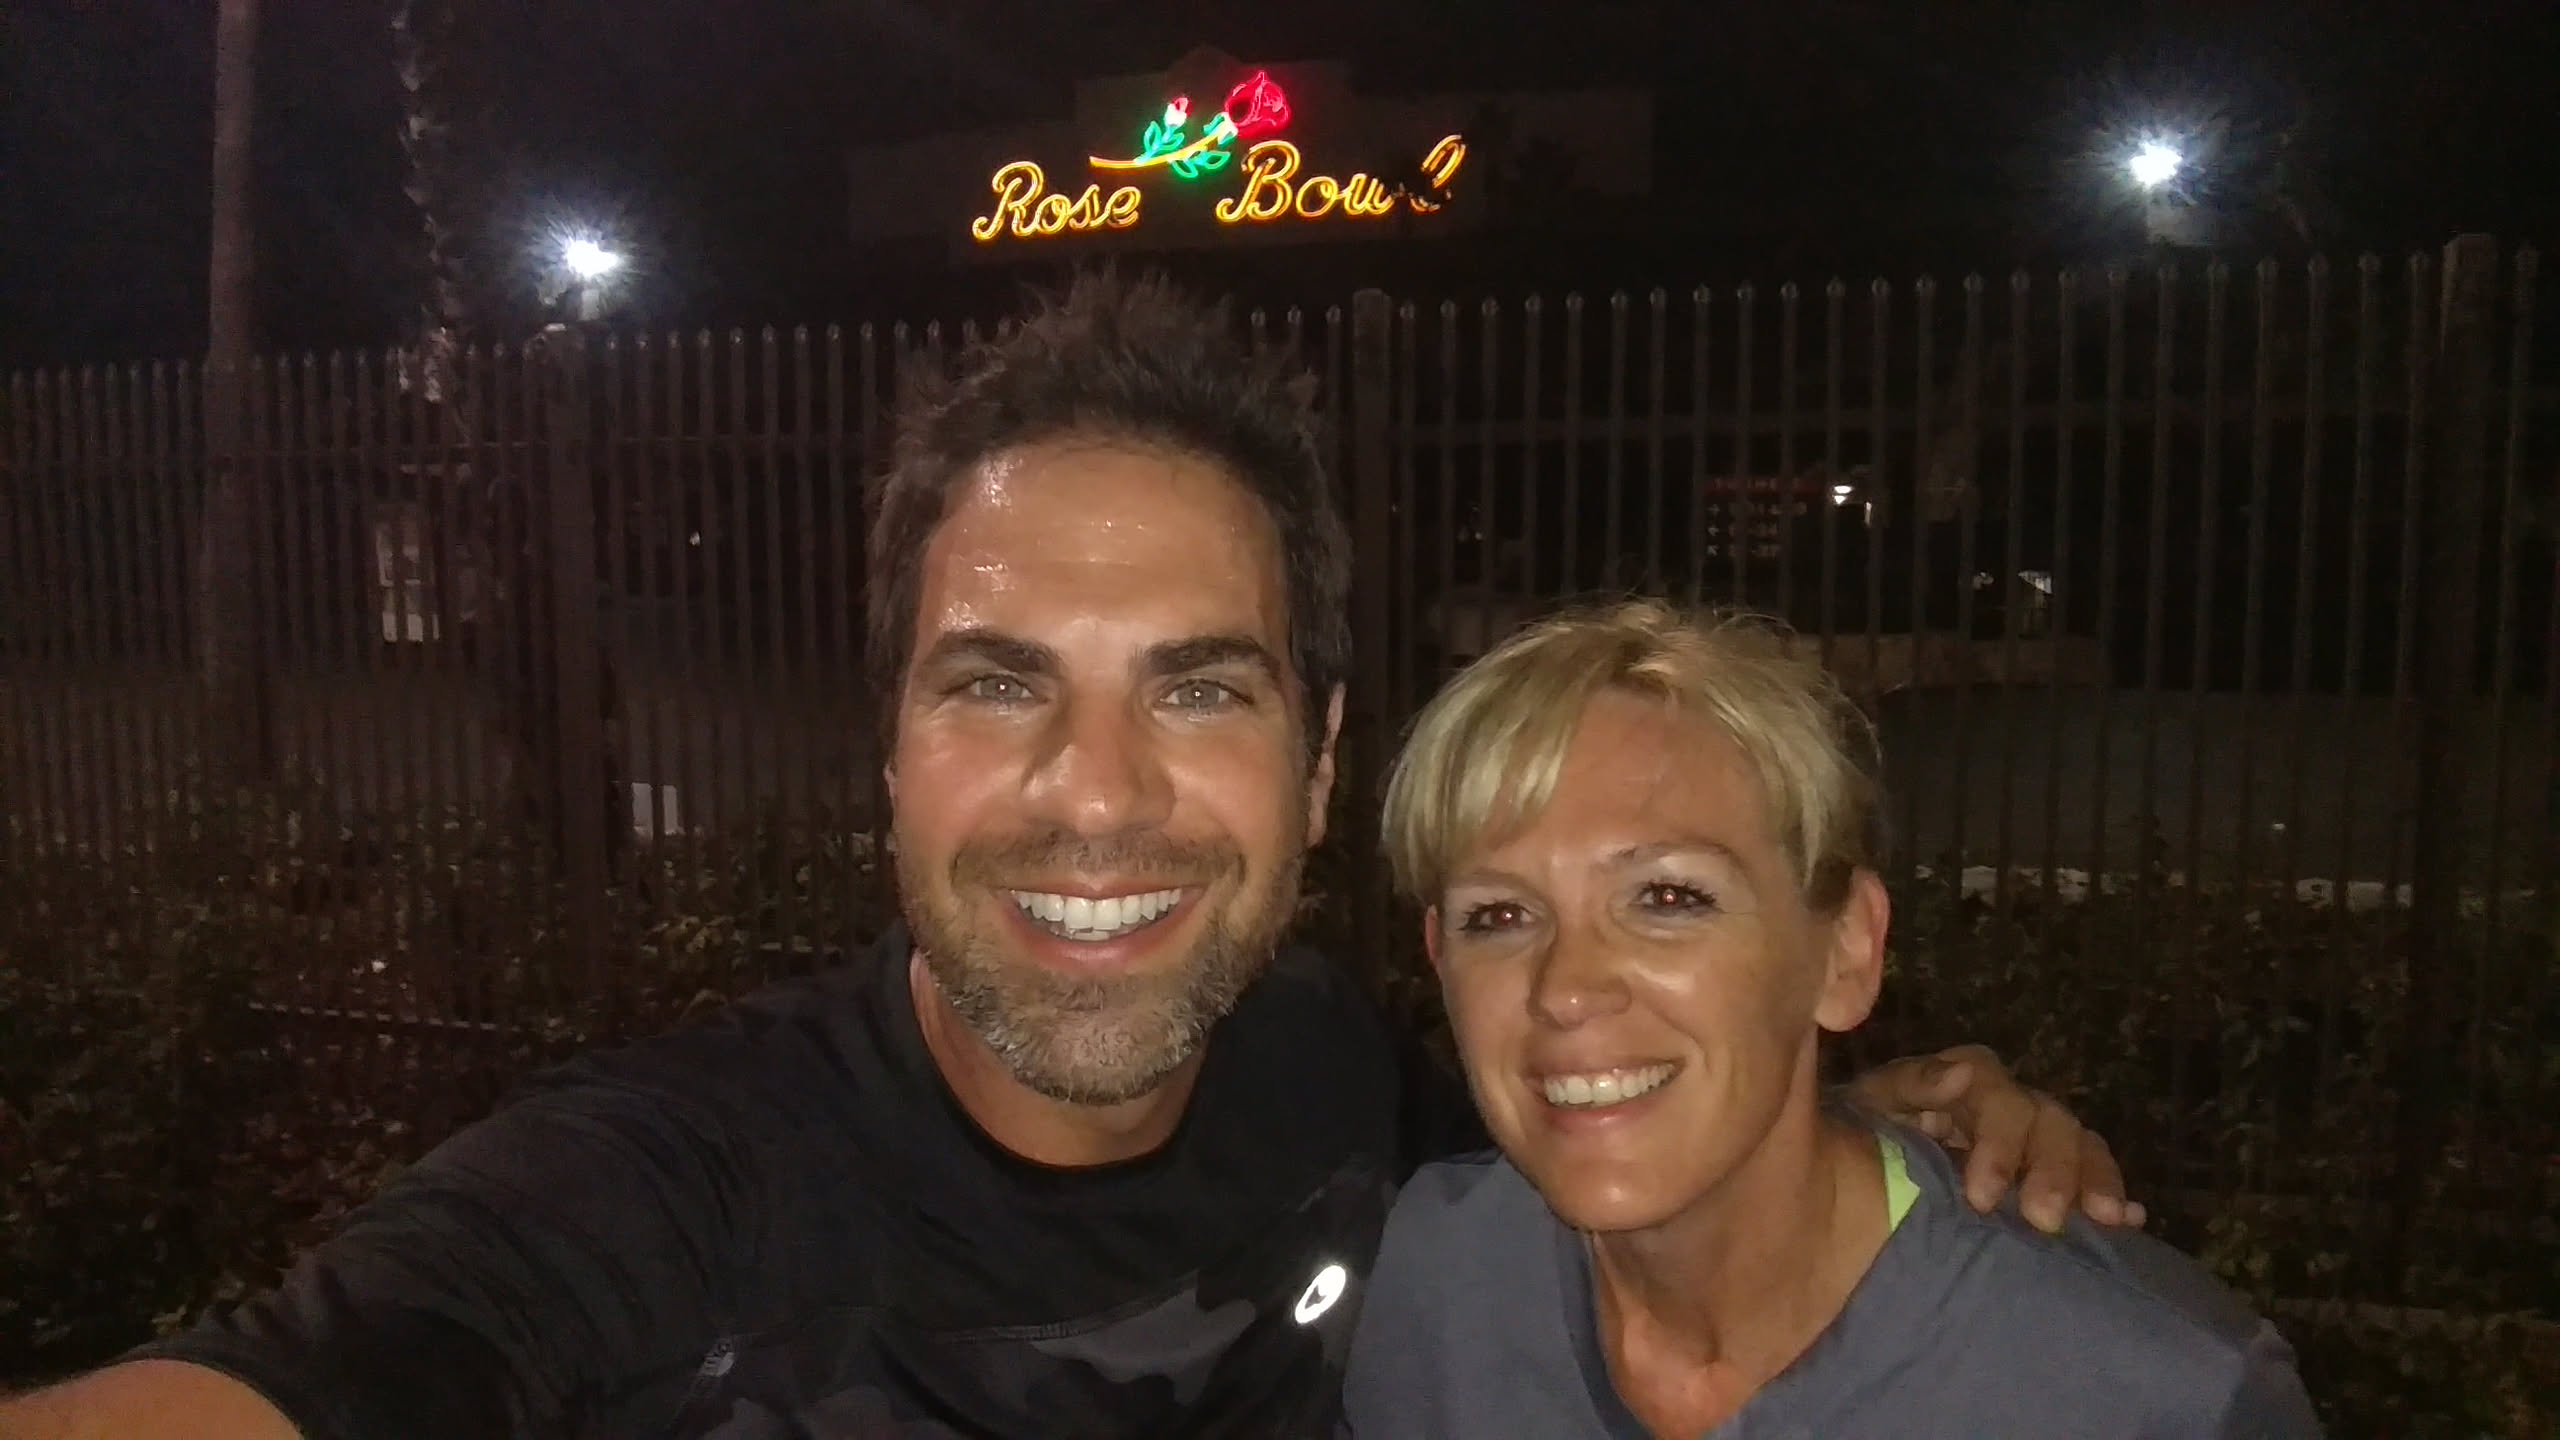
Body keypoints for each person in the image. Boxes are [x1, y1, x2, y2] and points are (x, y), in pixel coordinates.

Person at [0, 275, 2134, 1440]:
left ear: (1318, 768)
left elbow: (1616, 1125)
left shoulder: (1337, 1083)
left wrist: (1851, 1124)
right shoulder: (670, 1193)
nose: (1094, 792)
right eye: (997, 683)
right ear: (889, 757)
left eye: (1196, 690)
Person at [1343, 602, 2320, 1438]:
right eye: (1499, 916)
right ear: (1439, 959)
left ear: (1846, 951)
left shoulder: (2147, 1393)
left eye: (1668, 898)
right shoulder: (1431, 1278)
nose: (1565, 987)